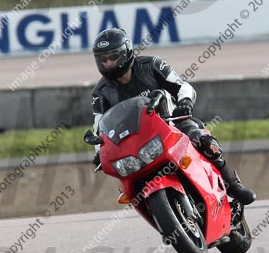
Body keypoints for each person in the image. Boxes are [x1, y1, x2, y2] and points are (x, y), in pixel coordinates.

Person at [90, 27, 256, 205]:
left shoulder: (151, 65)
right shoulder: (100, 92)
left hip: (172, 124)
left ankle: (232, 185)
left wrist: (184, 103)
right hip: (135, 142)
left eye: (113, 57)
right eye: (103, 59)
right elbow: (99, 126)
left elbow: (183, 86)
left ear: (127, 51)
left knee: (203, 140)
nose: (108, 63)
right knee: (126, 181)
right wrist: (100, 152)